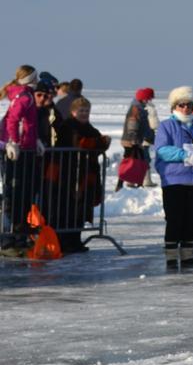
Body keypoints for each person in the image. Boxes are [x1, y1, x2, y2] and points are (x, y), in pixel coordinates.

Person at [154, 86, 193, 269]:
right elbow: (162, 150)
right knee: (174, 219)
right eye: (181, 104)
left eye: (189, 105)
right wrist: (184, 155)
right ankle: (171, 256)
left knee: (192, 219)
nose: (185, 108)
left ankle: (188, 255)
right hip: (174, 180)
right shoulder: (166, 126)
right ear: (175, 106)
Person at [50, 96, 111, 253]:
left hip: (86, 176)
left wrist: (100, 143)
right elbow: (82, 143)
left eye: (86, 111)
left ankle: (75, 240)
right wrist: (99, 142)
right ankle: (65, 241)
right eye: (81, 111)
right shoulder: (68, 126)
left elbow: (98, 143)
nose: (84, 113)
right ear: (73, 111)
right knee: (68, 209)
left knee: (81, 209)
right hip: (69, 176)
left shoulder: (90, 128)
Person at [2, 65, 41, 254]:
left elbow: (29, 123)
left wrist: (37, 140)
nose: (38, 80)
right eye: (35, 77)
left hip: (28, 147)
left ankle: (20, 232)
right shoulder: (23, 97)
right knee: (18, 191)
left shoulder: (27, 96)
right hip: (20, 150)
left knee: (27, 191)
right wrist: (14, 142)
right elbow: (12, 121)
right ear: (29, 79)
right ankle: (14, 233)